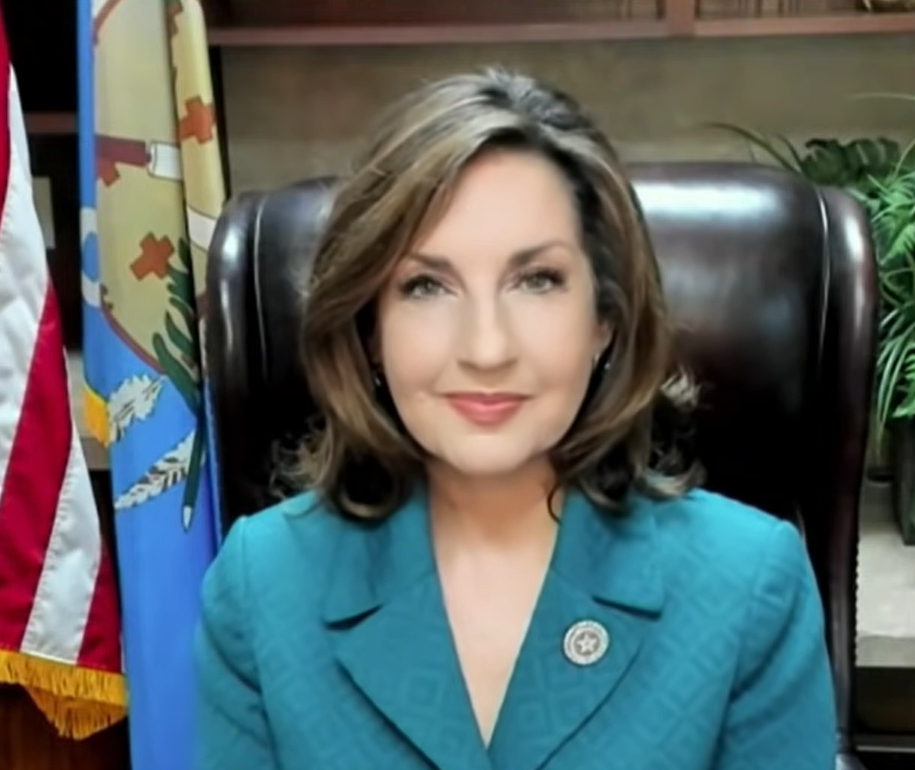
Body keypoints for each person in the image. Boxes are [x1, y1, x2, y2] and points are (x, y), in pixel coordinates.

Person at [193, 68, 837, 770]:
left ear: (604, 322)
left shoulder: (745, 586)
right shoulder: (262, 586)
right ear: (371, 328)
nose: (486, 349)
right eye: (426, 286)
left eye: (536, 281)